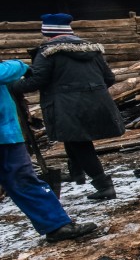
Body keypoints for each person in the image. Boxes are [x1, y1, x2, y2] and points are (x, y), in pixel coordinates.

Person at [10, 13, 124, 200]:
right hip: (96, 103)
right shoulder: (90, 49)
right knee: (73, 139)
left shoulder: (48, 52)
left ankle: (104, 185)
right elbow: (109, 78)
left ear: (48, 33)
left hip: (67, 106)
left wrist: (12, 86)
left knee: (80, 144)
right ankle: (76, 173)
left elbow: (37, 80)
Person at [0, 59, 97, 242]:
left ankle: (56, 225)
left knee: (23, 180)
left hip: (7, 134)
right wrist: (22, 66)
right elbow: (4, 71)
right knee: (23, 179)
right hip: (5, 133)